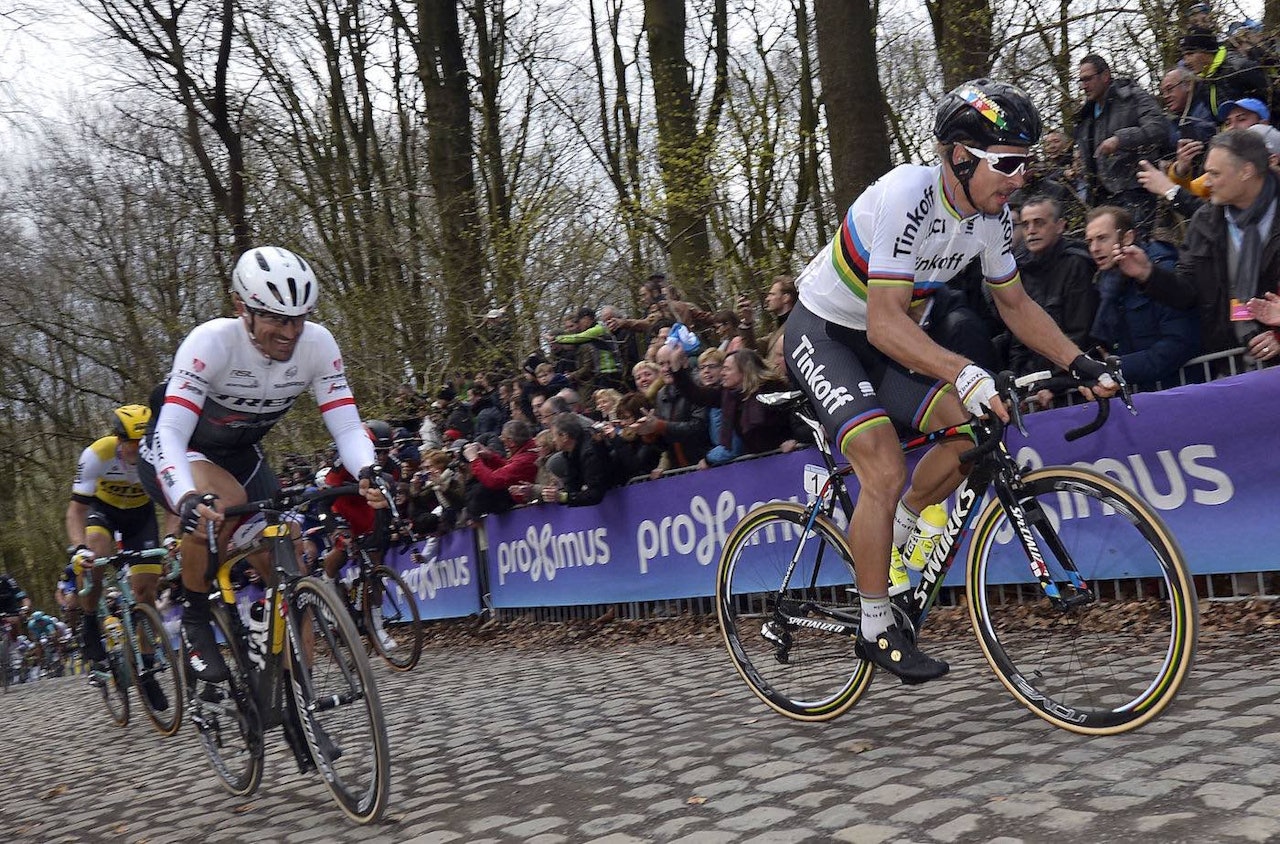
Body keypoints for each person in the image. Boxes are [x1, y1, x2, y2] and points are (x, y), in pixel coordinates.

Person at [784, 79, 1117, 684]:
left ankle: (906, 527)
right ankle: (874, 624)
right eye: (1008, 163)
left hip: (885, 341)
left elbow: (1015, 306)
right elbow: (885, 323)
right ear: (961, 156)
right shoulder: (906, 195)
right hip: (827, 333)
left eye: (1027, 163)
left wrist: (1080, 362)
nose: (1020, 178)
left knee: (973, 431)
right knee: (882, 465)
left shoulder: (991, 220)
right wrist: (965, 371)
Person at [139, 246, 385, 683]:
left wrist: (367, 469)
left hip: (241, 457)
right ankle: (196, 621)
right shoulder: (210, 342)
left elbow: (346, 424)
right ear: (242, 308)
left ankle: (299, 702)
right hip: (177, 451)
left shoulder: (318, 345)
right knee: (225, 500)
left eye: (299, 318)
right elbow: (171, 434)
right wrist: (185, 497)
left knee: (290, 554)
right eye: (276, 318)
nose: (290, 332)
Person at [1120, 129, 1280, 363]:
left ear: (1246, 171)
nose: (1206, 182)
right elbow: (1188, 292)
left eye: (1215, 174)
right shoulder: (1205, 221)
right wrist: (1148, 274)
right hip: (1230, 365)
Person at [66, 404, 167, 699]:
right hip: (103, 512)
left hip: (140, 517)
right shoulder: (97, 454)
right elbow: (75, 511)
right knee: (94, 557)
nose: (138, 450)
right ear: (118, 439)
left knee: (146, 591)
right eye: (132, 444)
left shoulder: (158, 452)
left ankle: (146, 666)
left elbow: (173, 504)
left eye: (143, 443)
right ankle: (89, 623)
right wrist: (79, 548)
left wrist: (173, 538)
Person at [1083, 206, 1201, 390]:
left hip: (1181, 389)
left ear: (1128, 237)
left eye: (1102, 238)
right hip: (1142, 394)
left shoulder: (1163, 272)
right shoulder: (1105, 284)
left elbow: (1180, 342)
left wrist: (1121, 367)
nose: (1094, 248)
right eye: (1089, 241)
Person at [1073, 55, 1174, 233]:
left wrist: (1120, 139)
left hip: (1136, 193)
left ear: (1105, 75)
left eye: (1088, 79)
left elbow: (1158, 128)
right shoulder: (1086, 116)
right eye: (1080, 81)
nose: (1084, 85)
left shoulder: (1133, 97)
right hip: (1102, 199)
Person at [1007, 197, 1099, 379]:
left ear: (1060, 226)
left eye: (1039, 223)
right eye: (1025, 225)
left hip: (1071, 380)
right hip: (1034, 381)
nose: (1031, 231)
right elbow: (1018, 338)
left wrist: (1054, 382)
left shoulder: (1076, 264)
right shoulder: (1020, 271)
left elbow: (1080, 333)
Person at [1181, 28, 1270, 118]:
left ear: (1206, 52)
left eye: (1190, 54)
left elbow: (1272, 101)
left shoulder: (1240, 68)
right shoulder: (1202, 82)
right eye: (1184, 56)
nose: (1186, 62)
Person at [463, 419, 539, 517]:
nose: (501, 439)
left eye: (503, 438)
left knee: (480, 491)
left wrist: (474, 460)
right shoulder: (525, 453)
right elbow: (509, 469)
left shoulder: (525, 458)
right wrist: (491, 457)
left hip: (523, 501)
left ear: (511, 442)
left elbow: (494, 480)